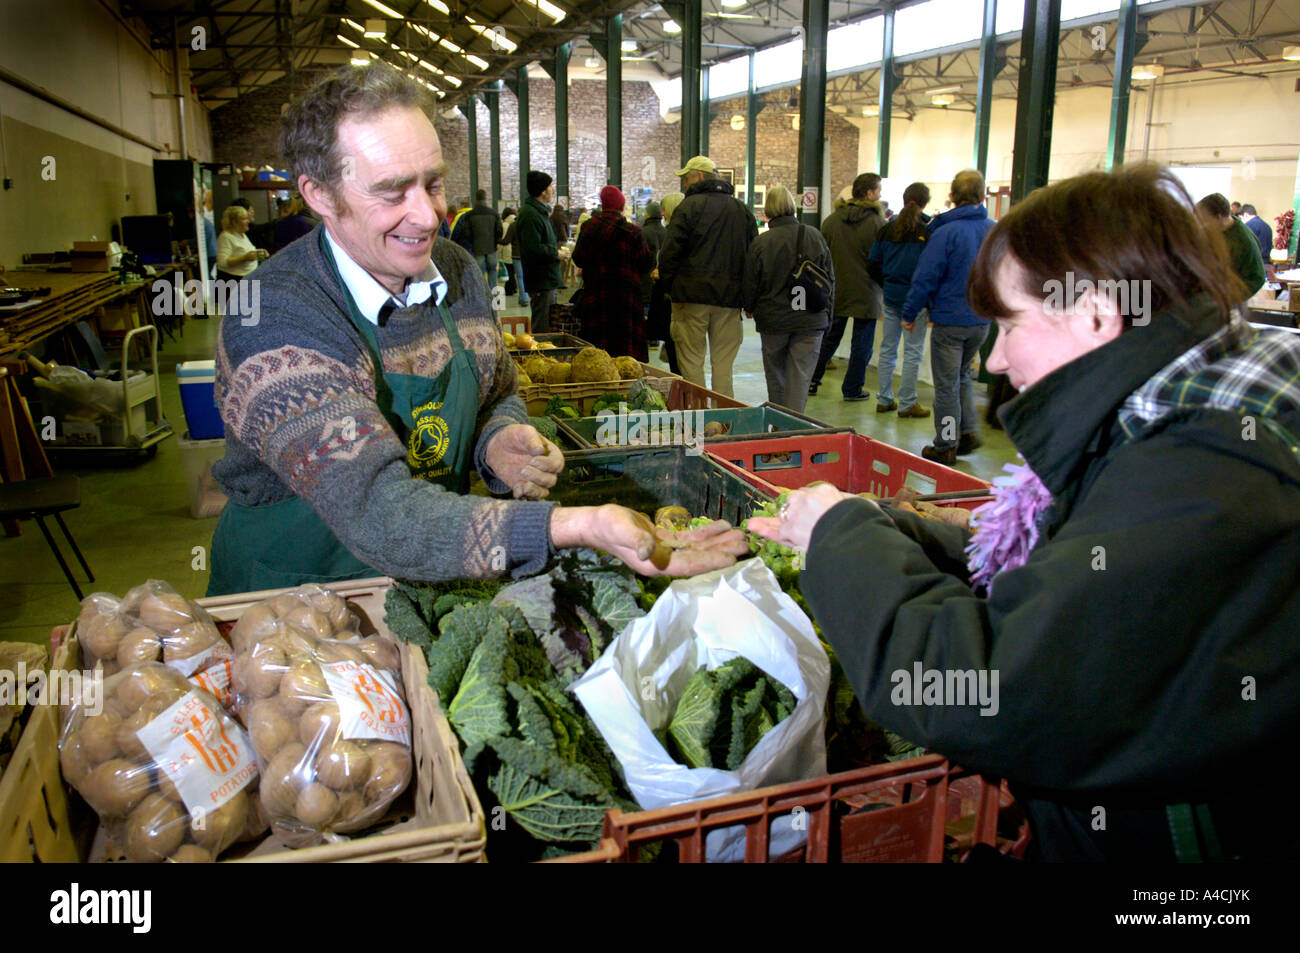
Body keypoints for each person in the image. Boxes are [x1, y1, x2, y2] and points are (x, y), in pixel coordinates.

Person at [750, 162, 1300, 863]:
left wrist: (840, 533)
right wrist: (903, 528)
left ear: (1096, 313)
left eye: (1010, 325)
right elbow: (1076, 573)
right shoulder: (1203, 396)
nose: (998, 359)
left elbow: (985, 687)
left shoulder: (1210, 466)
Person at [207, 62, 747, 595]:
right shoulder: (276, 314)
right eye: (393, 193)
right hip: (296, 603)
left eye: (433, 183)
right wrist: (578, 526)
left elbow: (500, 390)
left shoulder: (457, 269)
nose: (426, 216)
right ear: (320, 194)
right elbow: (377, 510)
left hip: (432, 578)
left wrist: (496, 440)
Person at [903, 169, 995, 465]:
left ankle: (946, 443)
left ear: (952, 197)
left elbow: (926, 277)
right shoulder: (994, 231)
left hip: (950, 321)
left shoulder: (945, 233)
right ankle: (967, 431)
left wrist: (910, 312)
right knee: (962, 377)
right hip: (981, 321)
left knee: (945, 385)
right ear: (983, 197)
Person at [657, 155, 758, 398]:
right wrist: (748, 297)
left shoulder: (687, 208)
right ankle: (722, 422)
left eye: (687, 178)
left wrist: (670, 288)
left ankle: (698, 420)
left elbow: (669, 254)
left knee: (691, 363)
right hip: (729, 301)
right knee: (723, 366)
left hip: (690, 299)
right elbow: (754, 256)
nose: (684, 184)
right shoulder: (741, 210)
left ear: (700, 177)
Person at [741, 186, 833, 414]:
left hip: (774, 321)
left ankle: (779, 428)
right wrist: (828, 316)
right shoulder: (814, 236)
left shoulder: (761, 243)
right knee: (800, 379)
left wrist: (750, 307)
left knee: (776, 377)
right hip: (811, 320)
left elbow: (751, 281)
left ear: (768, 211)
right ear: (792, 207)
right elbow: (830, 279)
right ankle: (794, 430)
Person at [809, 172, 887, 401]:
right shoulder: (878, 224)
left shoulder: (831, 221)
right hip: (868, 291)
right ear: (870, 193)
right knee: (862, 344)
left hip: (836, 289)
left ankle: (812, 379)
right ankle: (852, 389)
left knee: (829, 338)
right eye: (879, 190)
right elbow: (880, 261)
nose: (880, 195)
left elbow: (820, 257)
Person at [868, 181, 932, 418]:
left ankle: (884, 399)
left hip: (891, 297)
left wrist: (887, 285)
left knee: (888, 349)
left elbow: (873, 264)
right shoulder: (926, 232)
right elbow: (929, 270)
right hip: (916, 301)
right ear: (925, 202)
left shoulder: (886, 230)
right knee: (912, 353)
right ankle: (907, 403)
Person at [571, 186, 653, 361]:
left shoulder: (588, 228)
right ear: (622, 207)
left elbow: (578, 259)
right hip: (626, 301)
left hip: (596, 298)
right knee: (627, 356)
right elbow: (647, 264)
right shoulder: (633, 232)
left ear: (603, 205)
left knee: (596, 356)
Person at [517, 170, 568, 333]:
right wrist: (556, 253)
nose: (553, 189)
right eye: (551, 186)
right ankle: (539, 357)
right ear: (542, 190)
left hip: (547, 279)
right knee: (542, 327)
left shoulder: (539, 213)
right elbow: (532, 248)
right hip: (541, 280)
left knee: (548, 324)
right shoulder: (530, 215)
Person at [1195, 193, 1266, 302]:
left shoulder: (1243, 240)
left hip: (1225, 303)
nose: (1202, 225)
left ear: (1219, 217)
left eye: (1204, 220)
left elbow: (1257, 278)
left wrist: (1229, 299)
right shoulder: (1219, 230)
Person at [648, 193, 684, 374]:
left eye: (664, 209)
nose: (662, 213)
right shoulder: (675, 232)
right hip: (675, 298)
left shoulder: (674, 234)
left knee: (676, 350)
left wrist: (659, 273)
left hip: (672, 299)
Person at [451, 189, 504, 292]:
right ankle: (493, 300)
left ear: (476, 199)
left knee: (480, 275)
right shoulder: (494, 213)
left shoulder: (470, 215)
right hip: (492, 249)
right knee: (492, 273)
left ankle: (483, 298)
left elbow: (466, 232)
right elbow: (499, 231)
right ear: (485, 198)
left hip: (477, 249)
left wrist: (473, 241)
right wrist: (495, 241)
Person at [215, 204, 266, 282]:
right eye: (244, 219)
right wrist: (244, 258)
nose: (248, 221)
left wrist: (259, 253)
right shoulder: (225, 237)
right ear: (234, 222)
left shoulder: (242, 235)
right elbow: (222, 263)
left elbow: (244, 253)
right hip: (233, 281)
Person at [640, 200, 666, 325]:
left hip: (644, 282)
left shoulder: (642, 233)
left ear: (647, 214)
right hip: (661, 283)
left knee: (644, 319)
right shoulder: (667, 232)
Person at [499, 206, 519, 298]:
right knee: (515, 271)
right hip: (516, 250)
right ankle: (514, 287)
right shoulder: (517, 223)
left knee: (508, 270)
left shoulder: (503, 225)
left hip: (506, 250)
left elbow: (503, 240)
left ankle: (509, 289)